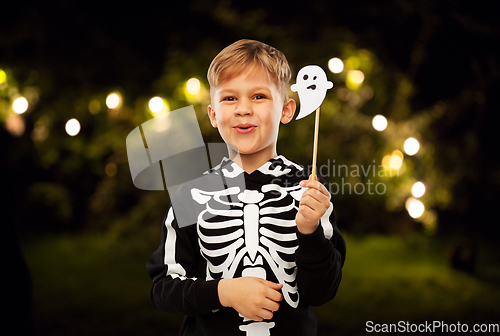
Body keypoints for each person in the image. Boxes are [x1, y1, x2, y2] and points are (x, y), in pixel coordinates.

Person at [147, 39, 346, 336]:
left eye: (258, 97)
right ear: (213, 114)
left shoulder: (310, 190)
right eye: (229, 99)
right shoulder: (190, 195)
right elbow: (164, 288)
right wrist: (223, 292)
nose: (243, 110)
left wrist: (309, 231)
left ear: (286, 110)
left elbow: (322, 292)